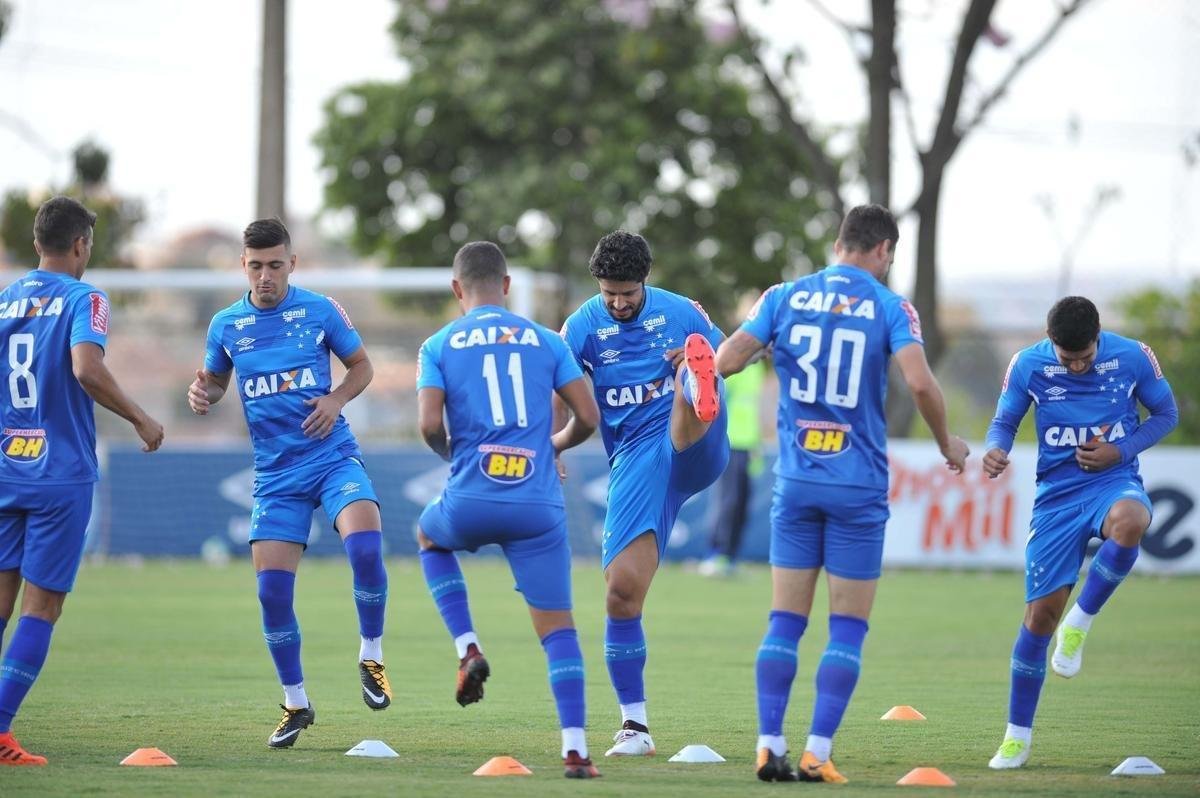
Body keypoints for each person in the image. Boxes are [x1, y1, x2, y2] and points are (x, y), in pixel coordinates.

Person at [715, 204, 969, 783]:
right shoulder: (889, 306)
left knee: (784, 620)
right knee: (847, 627)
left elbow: (727, 360)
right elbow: (920, 382)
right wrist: (946, 442)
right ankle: (817, 753)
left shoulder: (782, 295)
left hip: (797, 480)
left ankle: (767, 745)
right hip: (857, 484)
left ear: (837, 243)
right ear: (883, 251)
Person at [187, 218, 391, 749]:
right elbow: (214, 378)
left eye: (275, 265)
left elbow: (363, 367)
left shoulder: (320, 309)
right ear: (243, 266)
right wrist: (202, 393)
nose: (265, 276)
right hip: (276, 475)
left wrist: (336, 399)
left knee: (366, 547)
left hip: (332, 457)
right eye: (255, 266)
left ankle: (371, 654)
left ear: (291, 263)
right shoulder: (226, 324)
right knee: (271, 592)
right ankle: (295, 703)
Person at [415, 241, 603, 778]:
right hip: (536, 504)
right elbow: (586, 416)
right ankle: (574, 751)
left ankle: (468, 646)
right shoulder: (545, 340)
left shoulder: (439, 344)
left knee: (430, 538)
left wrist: (458, 458)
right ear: (507, 286)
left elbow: (430, 425)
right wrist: (554, 445)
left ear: (457, 290)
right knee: (559, 631)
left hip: (471, 496)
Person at [0, 196, 164, 766]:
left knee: (0, 604)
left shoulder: (3, 299)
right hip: (57, 474)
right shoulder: (85, 297)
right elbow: (86, 369)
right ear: (79, 245)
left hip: (4, 467)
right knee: (40, 609)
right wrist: (141, 416)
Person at [982, 295, 1177, 770]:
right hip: (1057, 498)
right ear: (1051, 342)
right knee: (1038, 619)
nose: (1075, 367)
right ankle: (1016, 737)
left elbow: (1166, 415)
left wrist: (1121, 451)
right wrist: (995, 449)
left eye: (1084, 358)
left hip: (1113, 481)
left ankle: (1081, 622)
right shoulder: (1028, 364)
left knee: (1132, 522)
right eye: (1066, 359)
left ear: (1098, 336)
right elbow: (1005, 420)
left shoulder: (1132, 355)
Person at [557, 230, 729, 757]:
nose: (617, 302)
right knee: (621, 592)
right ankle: (635, 727)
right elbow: (558, 391)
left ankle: (690, 385)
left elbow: (733, 355)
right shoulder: (582, 326)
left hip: (695, 443)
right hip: (634, 459)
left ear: (645, 282)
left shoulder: (683, 313)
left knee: (690, 378)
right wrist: (553, 446)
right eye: (609, 292)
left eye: (627, 292)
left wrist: (710, 364)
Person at [700, 293, 771, 578]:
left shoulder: (756, 368)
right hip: (730, 441)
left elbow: (755, 410)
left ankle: (730, 555)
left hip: (747, 444)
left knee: (741, 503)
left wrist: (758, 444)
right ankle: (715, 554)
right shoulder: (730, 359)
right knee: (727, 501)